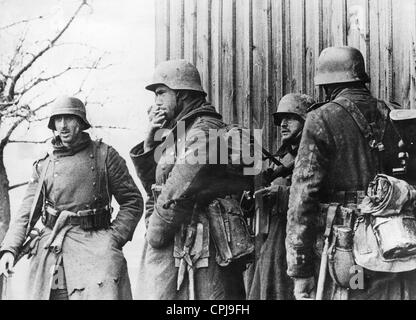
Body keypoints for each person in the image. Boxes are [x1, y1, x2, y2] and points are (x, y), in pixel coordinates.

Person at [285, 46, 416, 300]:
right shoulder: (393, 113)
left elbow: (302, 198)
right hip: (396, 241)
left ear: (326, 85)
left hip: (352, 249)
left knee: (355, 290)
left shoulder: (321, 118)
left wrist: (300, 270)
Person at [0, 96, 143, 300]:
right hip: (53, 251)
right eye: (58, 120)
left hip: (95, 249)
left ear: (81, 123)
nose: (63, 126)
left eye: (69, 119)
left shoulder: (105, 156)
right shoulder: (45, 165)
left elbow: (133, 201)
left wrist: (114, 238)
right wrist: (9, 250)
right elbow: (26, 213)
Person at [130, 59, 249, 300]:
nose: (157, 101)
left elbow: (179, 188)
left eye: (162, 93)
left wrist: (155, 232)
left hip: (207, 245)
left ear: (182, 93)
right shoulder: (181, 131)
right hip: (182, 239)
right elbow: (157, 184)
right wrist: (150, 143)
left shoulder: (205, 130)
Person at [248, 93, 314, 300]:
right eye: (280, 120)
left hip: (301, 240)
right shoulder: (282, 158)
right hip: (273, 237)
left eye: (290, 118)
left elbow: (320, 194)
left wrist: (282, 193)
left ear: (306, 121)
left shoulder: (314, 154)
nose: (283, 124)